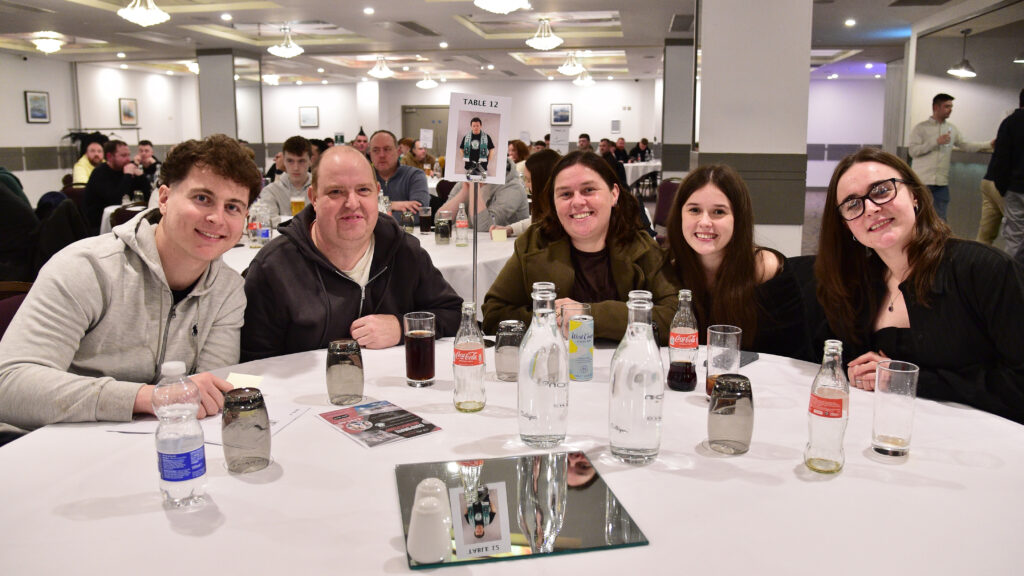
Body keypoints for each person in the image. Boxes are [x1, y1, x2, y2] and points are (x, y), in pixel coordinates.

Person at [0, 134, 262, 435]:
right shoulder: (88, 268)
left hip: (153, 446)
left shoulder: (227, 290)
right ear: (163, 198)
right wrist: (148, 398)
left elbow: (207, 392)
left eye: (233, 207)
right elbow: (9, 384)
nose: (217, 218)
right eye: (202, 198)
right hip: (45, 444)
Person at [815, 147, 1024, 424]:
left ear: (914, 195)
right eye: (853, 204)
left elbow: (1018, 384)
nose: (871, 208)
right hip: (889, 431)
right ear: (846, 226)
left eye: (881, 191)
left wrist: (906, 379)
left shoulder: (984, 269)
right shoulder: (858, 282)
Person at [241, 146, 462, 360]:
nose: (352, 203)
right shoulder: (273, 268)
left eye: (363, 190)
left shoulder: (404, 251)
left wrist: (402, 326)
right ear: (314, 198)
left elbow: (455, 315)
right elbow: (254, 364)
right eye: (336, 192)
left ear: (377, 192)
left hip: (392, 388)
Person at [482, 151, 676, 344]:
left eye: (588, 190)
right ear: (554, 202)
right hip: (554, 368)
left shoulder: (642, 247)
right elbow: (493, 314)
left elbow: (675, 318)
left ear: (614, 194)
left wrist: (587, 315)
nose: (577, 202)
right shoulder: (533, 243)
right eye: (565, 194)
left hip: (627, 367)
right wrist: (552, 319)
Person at [665, 164, 809, 359]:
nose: (705, 222)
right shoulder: (670, 271)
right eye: (694, 210)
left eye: (718, 212)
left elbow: (788, 357)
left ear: (738, 219)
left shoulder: (766, 270)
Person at [908, 93, 992, 220]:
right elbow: (913, 151)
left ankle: (939, 241)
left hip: (941, 183)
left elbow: (966, 145)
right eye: (947, 106)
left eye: (951, 106)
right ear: (936, 107)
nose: (950, 110)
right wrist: (936, 142)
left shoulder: (951, 129)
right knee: (918, 217)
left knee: (941, 219)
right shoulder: (921, 128)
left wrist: (989, 144)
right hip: (922, 182)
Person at [489, 149, 561, 238]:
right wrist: (510, 229)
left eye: (529, 180)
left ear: (542, 179)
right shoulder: (547, 201)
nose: (526, 185)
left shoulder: (560, 205)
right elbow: (537, 221)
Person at [439, 160, 530, 231]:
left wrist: (474, 187)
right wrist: (465, 191)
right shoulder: (467, 179)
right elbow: (441, 220)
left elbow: (483, 226)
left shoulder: (513, 188)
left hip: (503, 249)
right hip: (469, 244)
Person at [83, 140, 150, 234]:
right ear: (110, 157)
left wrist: (141, 176)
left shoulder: (126, 169)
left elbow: (148, 195)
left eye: (128, 155)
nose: (128, 159)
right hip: (99, 225)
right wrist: (127, 176)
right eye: (123, 156)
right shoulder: (99, 173)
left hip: (126, 222)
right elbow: (115, 200)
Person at [993, 88, 1024, 264]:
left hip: (1015, 188)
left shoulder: (1010, 122)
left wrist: (1002, 187)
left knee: (1014, 236)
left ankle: (1014, 279)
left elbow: (1001, 158)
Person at [370, 130, 430, 219]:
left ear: (398, 151)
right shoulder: (363, 178)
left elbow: (420, 213)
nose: (381, 155)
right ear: (370, 153)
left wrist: (376, 210)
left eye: (387, 149)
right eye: (376, 150)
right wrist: (391, 205)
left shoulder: (414, 175)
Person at [259, 136, 312, 217]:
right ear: (283, 161)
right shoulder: (271, 191)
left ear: (310, 161)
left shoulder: (321, 189)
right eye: (290, 161)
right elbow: (267, 221)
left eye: (301, 161)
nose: (296, 168)